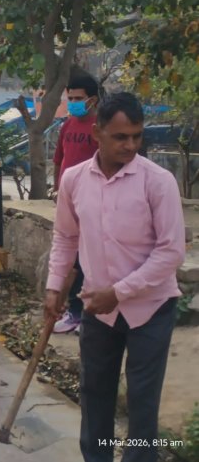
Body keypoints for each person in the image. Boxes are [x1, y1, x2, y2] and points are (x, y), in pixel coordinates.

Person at [44, 92, 185, 462]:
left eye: (137, 136)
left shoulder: (158, 182)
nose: (131, 145)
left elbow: (171, 252)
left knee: (141, 401)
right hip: (97, 308)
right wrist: (54, 286)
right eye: (121, 137)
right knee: (94, 394)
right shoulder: (74, 180)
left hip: (150, 309)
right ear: (97, 133)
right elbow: (65, 236)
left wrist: (120, 292)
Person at [51, 73, 100, 334]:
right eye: (70, 98)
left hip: (91, 203)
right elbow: (59, 159)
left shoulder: (100, 128)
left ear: (92, 100)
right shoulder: (67, 126)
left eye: (78, 99)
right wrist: (58, 189)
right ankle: (73, 311)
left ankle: (83, 313)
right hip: (67, 202)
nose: (73, 103)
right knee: (69, 258)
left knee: (85, 260)